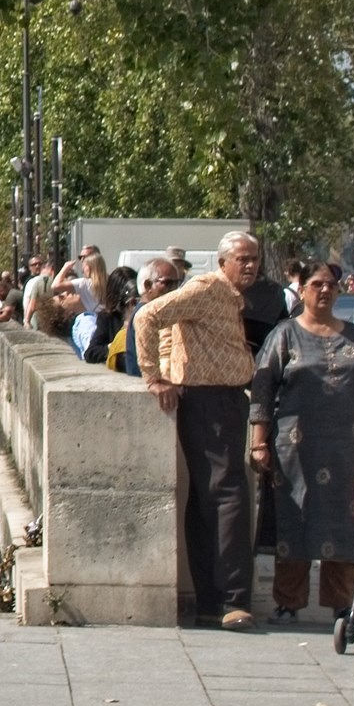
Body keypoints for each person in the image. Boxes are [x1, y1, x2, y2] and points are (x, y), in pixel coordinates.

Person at [132, 242, 265, 629]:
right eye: (243, 259)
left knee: (212, 498)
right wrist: (153, 376)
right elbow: (147, 317)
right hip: (210, 400)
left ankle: (213, 601)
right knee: (228, 496)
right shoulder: (208, 288)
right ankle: (231, 600)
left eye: (255, 259)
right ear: (224, 262)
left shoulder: (225, 294)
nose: (251, 266)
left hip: (219, 398)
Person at [249, 260, 354, 621]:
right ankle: (288, 602)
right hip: (295, 449)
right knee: (294, 521)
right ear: (302, 288)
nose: (324, 290)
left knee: (345, 523)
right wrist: (258, 442)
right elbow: (263, 392)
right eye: (316, 284)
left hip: (349, 449)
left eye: (330, 285)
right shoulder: (284, 335)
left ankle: (342, 602)